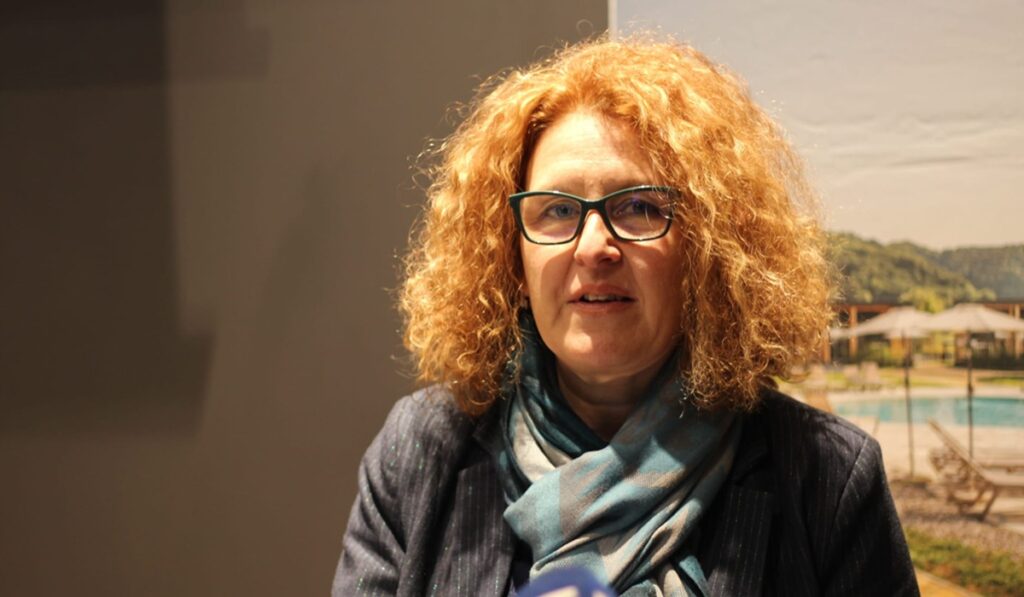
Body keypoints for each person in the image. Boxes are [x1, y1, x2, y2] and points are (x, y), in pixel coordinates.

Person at [333, 36, 918, 596]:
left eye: (638, 206)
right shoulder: (421, 451)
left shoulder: (826, 476)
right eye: (557, 210)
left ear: (707, 252)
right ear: (512, 257)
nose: (593, 247)